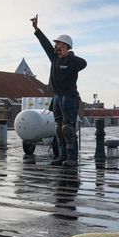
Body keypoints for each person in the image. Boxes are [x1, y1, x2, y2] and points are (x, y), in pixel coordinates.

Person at [30, 15, 86, 166]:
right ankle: (62, 156)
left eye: (59, 44)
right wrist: (37, 30)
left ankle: (72, 158)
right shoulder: (54, 58)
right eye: (56, 44)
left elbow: (84, 63)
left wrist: (69, 56)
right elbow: (45, 44)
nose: (55, 46)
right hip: (57, 97)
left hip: (69, 97)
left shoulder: (74, 62)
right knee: (59, 129)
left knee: (68, 128)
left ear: (66, 46)